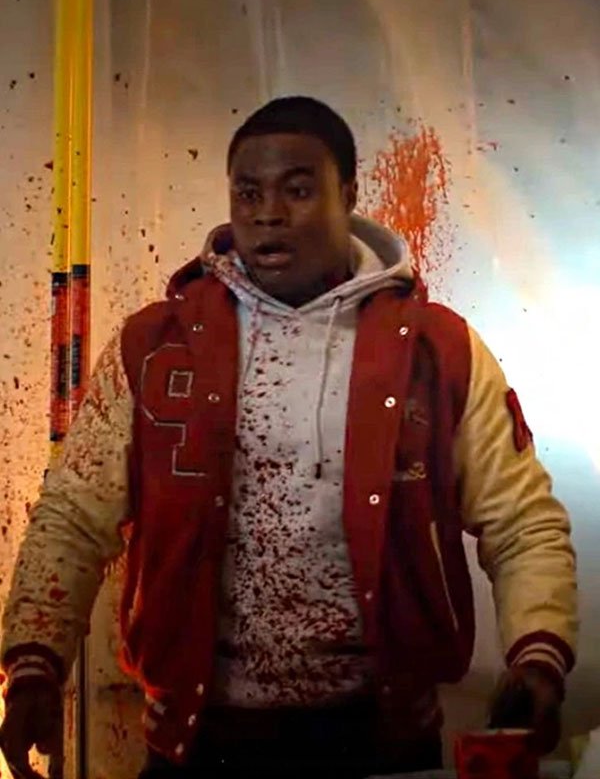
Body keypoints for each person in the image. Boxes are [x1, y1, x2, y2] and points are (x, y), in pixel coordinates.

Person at [0, 96, 577, 779]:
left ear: (349, 195)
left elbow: (521, 520)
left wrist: (539, 654)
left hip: (384, 740)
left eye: (297, 190)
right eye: (248, 193)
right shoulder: (154, 346)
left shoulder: (437, 350)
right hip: (196, 740)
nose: (267, 213)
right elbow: (73, 516)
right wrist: (34, 663)